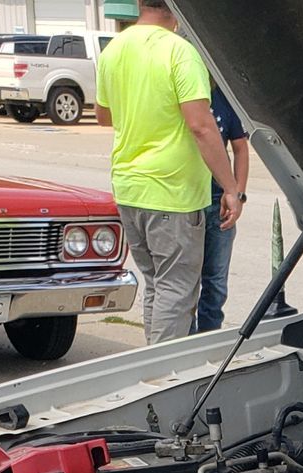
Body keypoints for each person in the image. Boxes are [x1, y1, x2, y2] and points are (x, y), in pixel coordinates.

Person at [94, 2, 249, 344]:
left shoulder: (114, 49)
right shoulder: (180, 52)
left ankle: (152, 360)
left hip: (129, 188)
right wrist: (230, 188)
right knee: (176, 291)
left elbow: (103, 116)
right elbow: (201, 126)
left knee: (157, 286)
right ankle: (164, 371)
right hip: (172, 192)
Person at [193, 85, 250, 333]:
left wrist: (238, 193)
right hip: (185, 199)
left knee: (216, 282)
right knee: (185, 281)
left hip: (219, 200)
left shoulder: (223, 98)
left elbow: (240, 148)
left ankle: (208, 339)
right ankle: (185, 341)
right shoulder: (182, 93)